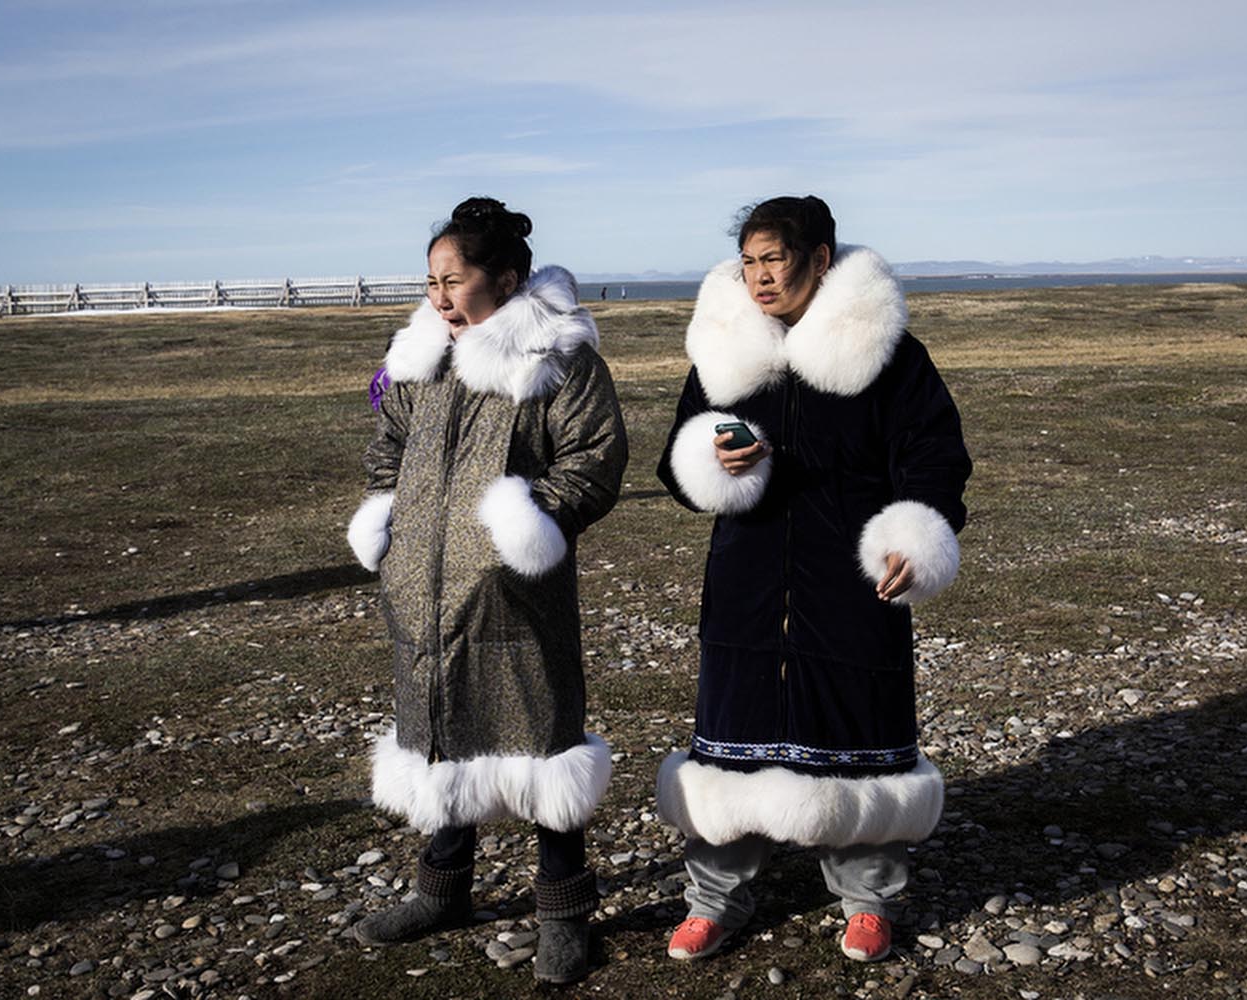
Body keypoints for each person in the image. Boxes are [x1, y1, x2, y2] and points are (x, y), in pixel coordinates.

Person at [654, 195, 971, 963]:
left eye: (776, 259)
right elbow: (674, 459)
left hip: (853, 577)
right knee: (732, 743)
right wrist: (712, 459)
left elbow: (934, 458)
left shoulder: (889, 353)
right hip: (747, 577)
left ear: (821, 260)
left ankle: (867, 898)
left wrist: (914, 536)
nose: (760, 278)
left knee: (859, 733)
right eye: (749, 262)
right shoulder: (725, 352)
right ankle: (715, 897)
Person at [345, 196, 628, 984]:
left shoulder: (557, 359)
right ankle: (443, 892)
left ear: (504, 279)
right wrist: (385, 517)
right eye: (431, 281)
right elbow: (388, 447)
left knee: (542, 744)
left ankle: (564, 915)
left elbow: (594, 459)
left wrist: (525, 525)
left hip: (514, 591)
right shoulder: (421, 359)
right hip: (421, 590)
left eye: (453, 280)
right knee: (439, 731)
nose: (438, 297)